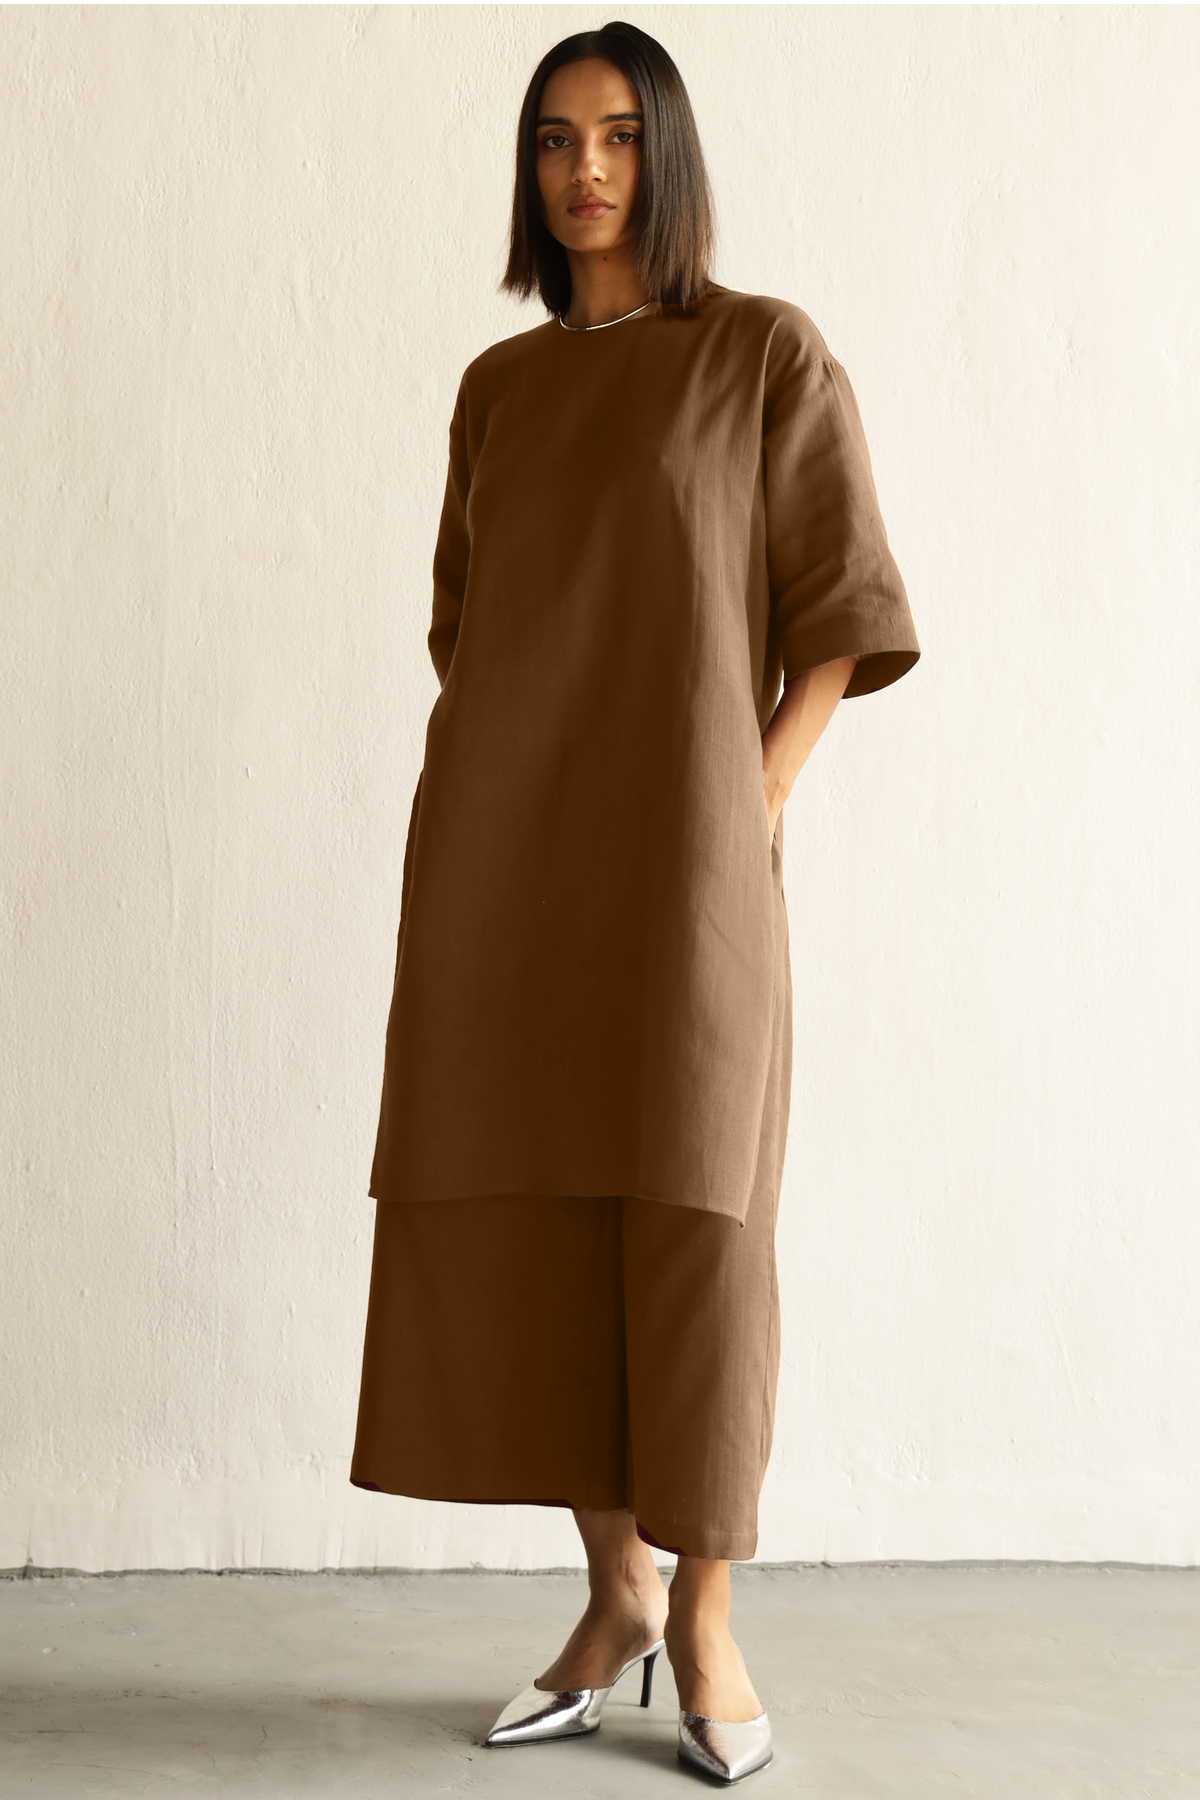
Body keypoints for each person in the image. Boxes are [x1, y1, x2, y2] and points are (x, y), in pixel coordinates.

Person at [349, 19, 920, 1785]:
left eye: (615, 136)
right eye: (552, 139)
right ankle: (616, 1593)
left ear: (667, 155)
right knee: (540, 1210)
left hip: (690, 868)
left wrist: (749, 800)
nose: (584, 170)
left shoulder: (761, 355)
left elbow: (837, 614)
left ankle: (710, 1614)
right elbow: (468, 629)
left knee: (699, 1228)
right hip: (504, 863)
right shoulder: (499, 390)